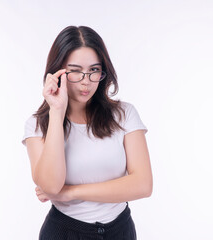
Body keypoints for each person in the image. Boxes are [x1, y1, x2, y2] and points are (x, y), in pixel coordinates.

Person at [21, 25, 152, 240]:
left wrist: (69, 192)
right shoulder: (37, 125)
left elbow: (143, 185)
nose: (86, 81)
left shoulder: (124, 114)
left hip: (120, 230)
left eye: (94, 70)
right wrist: (56, 111)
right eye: (75, 71)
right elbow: (51, 186)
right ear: (57, 72)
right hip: (65, 231)